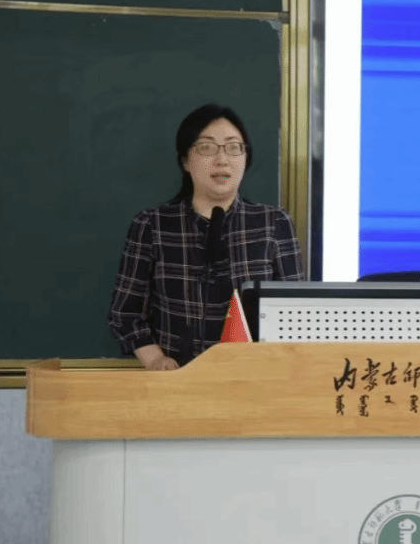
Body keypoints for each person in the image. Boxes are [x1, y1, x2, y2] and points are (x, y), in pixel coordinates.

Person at [107, 104, 304, 370]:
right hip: (175, 377)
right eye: (207, 147)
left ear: (245, 158)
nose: (222, 159)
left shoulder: (274, 223)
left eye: (233, 147)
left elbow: (294, 314)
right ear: (185, 161)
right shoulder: (152, 225)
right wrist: (155, 360)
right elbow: (126, 313)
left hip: (254, 377)